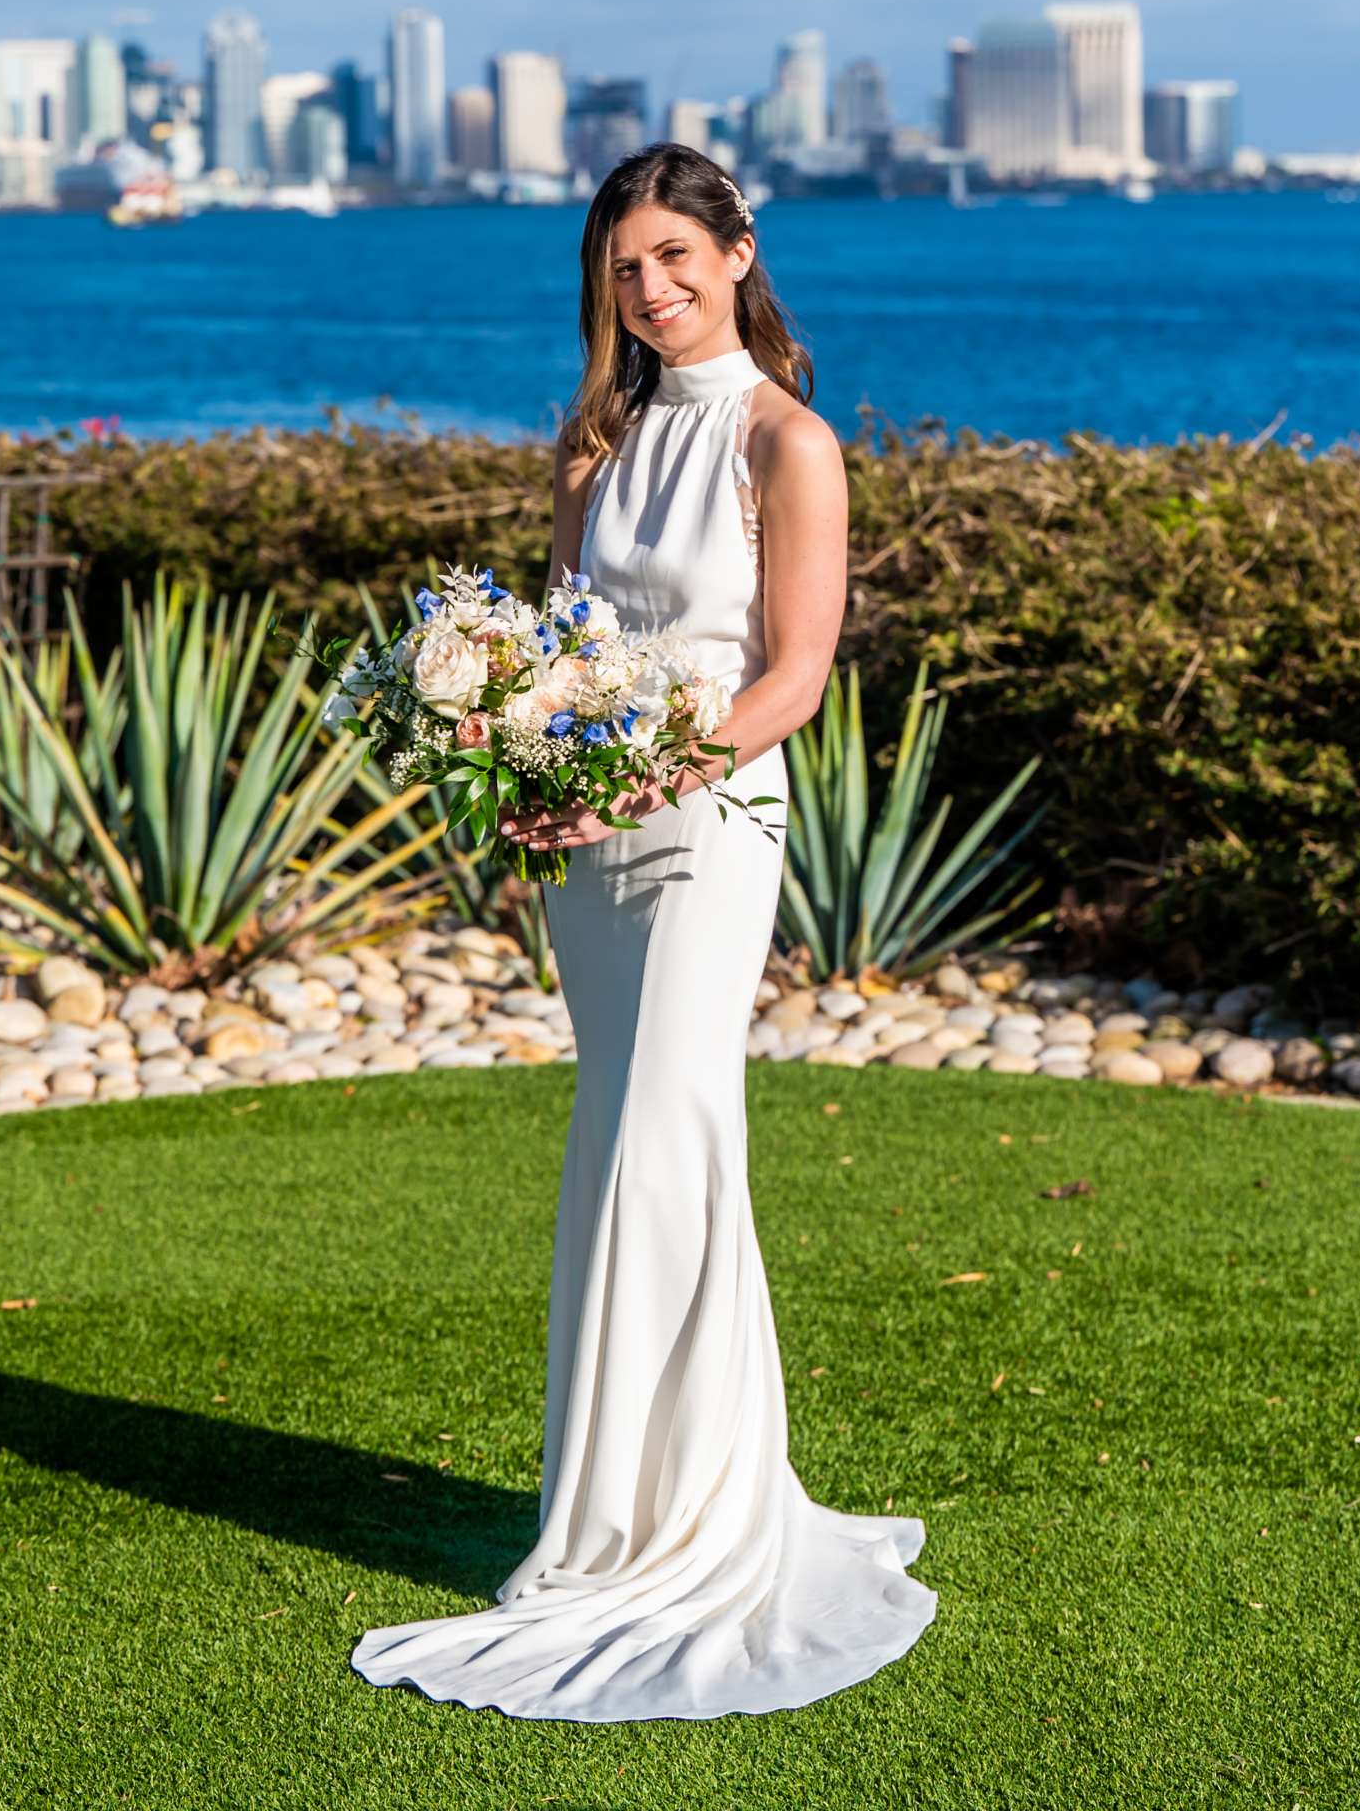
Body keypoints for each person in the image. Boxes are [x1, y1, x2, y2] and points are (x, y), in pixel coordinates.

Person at [350, 143, 936, 1720]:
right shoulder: (590, 445)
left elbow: (789, 679)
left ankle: (665, 1537)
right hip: (587, 844)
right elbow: (555, 642)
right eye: (623, 265)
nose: (652, 287)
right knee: (625, 1134)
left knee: (661, 1144)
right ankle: (642, 1499)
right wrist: (523, 768)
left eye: (677, 255)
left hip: (707, 828)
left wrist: (638, 778)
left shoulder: (786, 441)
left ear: (740, 252)